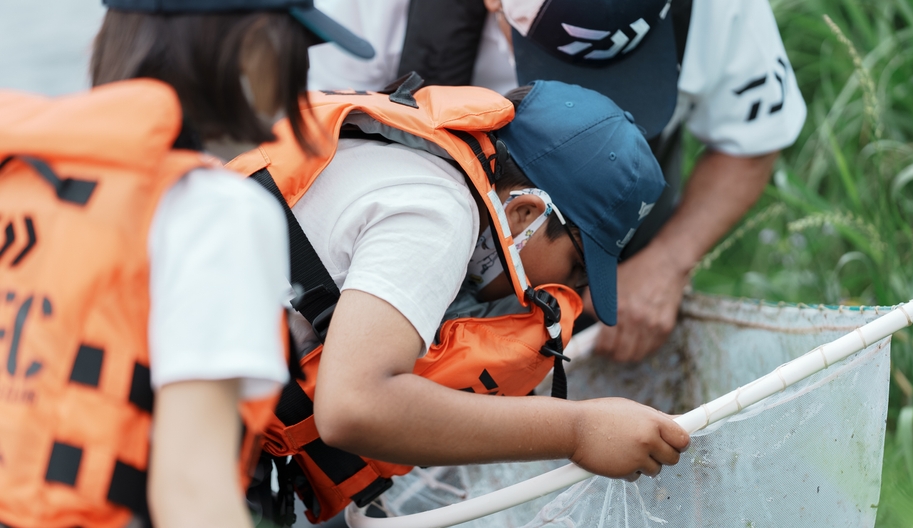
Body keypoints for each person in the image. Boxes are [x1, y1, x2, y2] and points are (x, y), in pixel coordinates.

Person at [227, 79, 691, 525]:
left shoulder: (406, 165)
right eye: (577, 266)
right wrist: (578, 430)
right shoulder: (437, 212)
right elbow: (353, 407)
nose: (573, 289)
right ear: (526, 213)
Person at [0, 1, 373, 527]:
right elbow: (192, 493)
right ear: (255, 49)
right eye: (297, 51)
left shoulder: (19, 171)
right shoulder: (210, 209)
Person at [307, 0, 807, 363]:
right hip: (398, 231)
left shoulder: (722, 12)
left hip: (599, 232)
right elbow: (313, 153)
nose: (590, 103)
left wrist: (667, 263)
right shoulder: (364, 13)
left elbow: (755, 136)